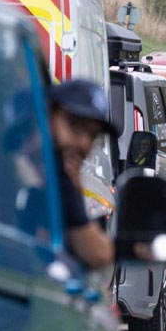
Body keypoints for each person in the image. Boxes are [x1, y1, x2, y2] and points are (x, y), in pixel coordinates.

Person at [48, 79, 117, 270]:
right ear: (47, 115)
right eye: (76, 126)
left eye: (93, 136)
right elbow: (98, 253)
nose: (84, 144)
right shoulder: (54, 181)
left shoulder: (60, 181)